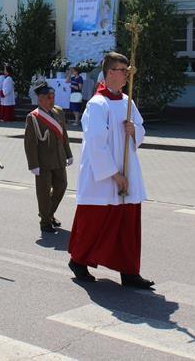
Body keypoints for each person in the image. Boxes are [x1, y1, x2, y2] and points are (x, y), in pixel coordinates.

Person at [67, 52, 153, 289]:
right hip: (103, 177)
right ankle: (79, 260)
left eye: (127, 70)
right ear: (109, 73)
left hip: (128, 171)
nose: (127, 74)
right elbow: (96, 142)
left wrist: (134, 130)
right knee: (95, 222)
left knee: (127, 223)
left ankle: (129, 271)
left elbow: (141, 130)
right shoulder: (97, 104)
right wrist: (114, 174)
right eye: (122, 70)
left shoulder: (128, 101)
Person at [24, 80, 73, 234]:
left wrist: (69, 153)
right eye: (49, 97)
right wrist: (33, 164)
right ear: (40, 100)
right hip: (43, 162)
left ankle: (48, 213)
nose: (53, 100)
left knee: (62, 186)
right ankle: (45, 221)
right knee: (44, 193)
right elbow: (30, 143)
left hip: (58, 159)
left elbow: (64, 134)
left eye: (53, 96)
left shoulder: (58, 111)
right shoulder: (33, 117)